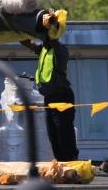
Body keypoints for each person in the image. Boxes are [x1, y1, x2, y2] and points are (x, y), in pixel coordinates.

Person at [20, 13, 78, 161]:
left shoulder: (60, 50)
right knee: (53, 134)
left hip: (62, 96)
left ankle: (70, 162)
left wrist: (52, 25)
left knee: (64, 132)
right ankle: (60, 163)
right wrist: (19, 31)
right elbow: (27, 43)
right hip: (49, 97)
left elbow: (53, 40)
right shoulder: (44, 49)